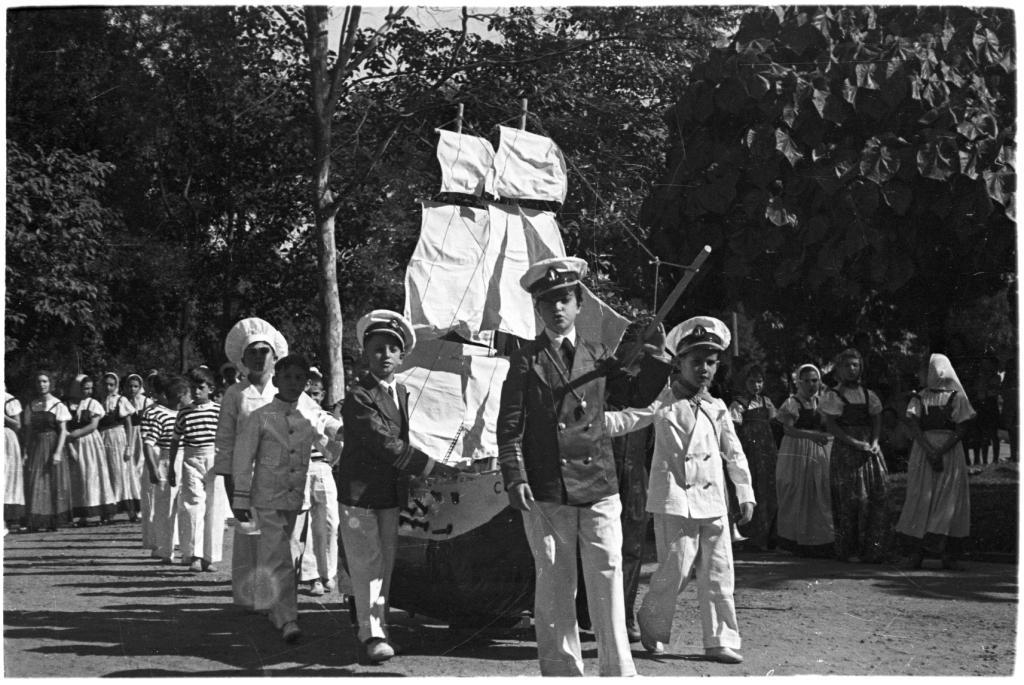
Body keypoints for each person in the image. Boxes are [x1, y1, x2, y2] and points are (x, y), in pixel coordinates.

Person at [495, 257, 667, 677]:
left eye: (565, 299)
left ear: (578, 306)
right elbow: (510, 427)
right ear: (537, 308)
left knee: (606, 578)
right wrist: (515, 475)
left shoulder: (597, 355)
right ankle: (562, 673)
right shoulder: (524, 361)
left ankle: (618, 671)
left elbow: (632, 395)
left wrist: (657, 359)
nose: (557, 308)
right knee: (555, 583)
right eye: (548, 301)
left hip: (599, 486)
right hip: (548, 488)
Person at [604, 316, 755, 665]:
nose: (704, 369)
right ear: (680, 363)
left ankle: (720, 639)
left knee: (719, 571)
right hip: (675, 497)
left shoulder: (717, 407)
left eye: (711, 363)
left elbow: (734, 453)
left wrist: (744, 492)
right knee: (675, 568)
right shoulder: (663, 401)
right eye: (696, 362)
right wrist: (596, 423)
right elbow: (631, 417)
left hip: (714, 499)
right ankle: (652, 627)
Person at [338, 310, 463, 663]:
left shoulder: (402, 392)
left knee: (386, 564)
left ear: (403, 354)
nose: (386, 356)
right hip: (359, 495)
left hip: (390, 494)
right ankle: (372, 636)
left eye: (393, 349)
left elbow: (407, 436)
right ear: (366, 353)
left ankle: (380, 629)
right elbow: (386, 444)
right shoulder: (359, 396)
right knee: (366, 565)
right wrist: (431, 467)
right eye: (378, 349)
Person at [231, 354, 344, 643]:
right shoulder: (265, 414)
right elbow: (243, 458)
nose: (294, 384)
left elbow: (329, 427)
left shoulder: (309, 412)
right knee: (277, 554)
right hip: (267, 497)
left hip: (297, 498)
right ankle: (287, 618)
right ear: (277, 379)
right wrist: (241, 498)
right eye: (288, 377)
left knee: (291, 556)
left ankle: (275, 607)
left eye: (300, 379)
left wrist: (345, 431)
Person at [214, 317, 289, 610]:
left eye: (264, 351)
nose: (259, 357)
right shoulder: (235, 395)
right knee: (248, 536)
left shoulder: (282, 392)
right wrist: (230, 484)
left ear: (274, 357)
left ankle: (274, 599)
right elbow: (225, 441)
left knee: (275, 537)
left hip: (277, 474)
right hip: (244, 475)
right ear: (243, 358)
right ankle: (249, 598)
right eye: (253, 352)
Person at [895, 354, 975, 569]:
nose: (921, 375)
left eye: (925, 370)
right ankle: (916, 552)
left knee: (948, 498)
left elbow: (961, 429)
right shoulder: (920, 398)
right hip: (923, 452)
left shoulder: (957, 398)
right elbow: (914, 427)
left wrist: (940, 451)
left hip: (949, 453)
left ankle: (949, 554)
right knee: (921, 496)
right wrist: (930, 450)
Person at [820, 348, 891, 563]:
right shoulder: (833, 395)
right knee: (850, 499)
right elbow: (831, 425)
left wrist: (875, 442)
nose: (852, 370)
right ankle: (849, 549)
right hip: (846, 450)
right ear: (839, 370)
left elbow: (877, 419)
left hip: (869, 450)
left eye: (855, 365)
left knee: (876, 496)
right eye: (847, 366)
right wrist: (854, 442)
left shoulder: (869, 394)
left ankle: (873, 550)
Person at [169, 366, 226, 572]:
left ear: (211, 389)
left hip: (214, 459)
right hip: (191, 458)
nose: (196, 391)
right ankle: (194, 554)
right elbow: (175, 440)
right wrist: (171, 468)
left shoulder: (219, 410)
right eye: (192, 387)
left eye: (200, 387)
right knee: (193, 505)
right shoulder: (184, 411)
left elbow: (226, 438)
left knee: (214, 508)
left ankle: (210, 557)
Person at [774, 364, 834, 557]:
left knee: (816, 492)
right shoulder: (793, 402)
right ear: (799, 382)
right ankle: (790, 540)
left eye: (814, 381)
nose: (811, 385)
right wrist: (812, 435)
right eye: (806, 381)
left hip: (815, 451)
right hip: (796, 450)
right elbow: (788, 429)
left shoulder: (820, 402)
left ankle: (815, 540)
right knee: (795, 490)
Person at [295, 367, 341, 597]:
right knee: (307, 527)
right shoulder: (296, 415)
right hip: (301, 471)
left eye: (317, 394)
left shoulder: (326, 419)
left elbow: (337, 447)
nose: (313, 399)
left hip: (323, 470)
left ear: (322, 396)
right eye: (309, 394)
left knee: (330, 523)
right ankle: (313, 577)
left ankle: (328, 572)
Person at [728, 364, 778, 551]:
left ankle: (767, 536)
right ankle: (750, 537)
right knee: (752, 487)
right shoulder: (738, 404)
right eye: (751, 382)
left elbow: (773, 422)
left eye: (759, 381)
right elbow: (733, 429)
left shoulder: (767, 402)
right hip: (749, 451)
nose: (756, 386)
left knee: (768, 489)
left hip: (767, 451)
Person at [143, 376, 189, 563]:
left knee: (185, 507)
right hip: (166, 460)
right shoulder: (159, 414)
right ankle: (164, 549)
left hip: (186, 460)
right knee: (165, 508)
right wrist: (153, 469)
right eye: (188, 394)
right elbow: (148, 443)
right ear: (180, 396)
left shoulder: (187, 414)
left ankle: (188, 550)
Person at [65, 375, 118, 526]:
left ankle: (104, 512)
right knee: (80, 478)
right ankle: (83, 515)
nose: (88, 391)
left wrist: (76, 434)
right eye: (84, 388)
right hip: (74, 445)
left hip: (90, 442)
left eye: (90, 388)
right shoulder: (68, 405)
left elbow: (93, 425)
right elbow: (65, 427)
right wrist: (69, 442)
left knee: (95, 475)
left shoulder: (93, 403)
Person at [23, 370, 72, 531]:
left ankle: (52, 521)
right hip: (36, 447)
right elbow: (29, 431)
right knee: (35, 482)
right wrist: (25, 450)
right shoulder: (31, 405)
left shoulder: (58, 405)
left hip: (52, 445)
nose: (42, 384)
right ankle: (36, 521)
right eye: (39, 382)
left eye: (45, 381)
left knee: (53, 482)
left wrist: (58, 452)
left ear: (50, 384)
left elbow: (63, 431)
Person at [97, 372, 136, 521]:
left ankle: (129, 510)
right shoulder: (100, 401)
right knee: (107, 472)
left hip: (118, 437)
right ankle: (110, 510)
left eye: (111, 385)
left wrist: (129, 446)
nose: (108, 387)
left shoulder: (121, 400)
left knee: (120, 472)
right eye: (106, 384)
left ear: (116, 385)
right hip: (103, 438)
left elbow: (129, 424)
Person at [125, 373, 153, 523]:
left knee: (143, 469)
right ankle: (135, 507)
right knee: (132, 471)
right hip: (130, 437)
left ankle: (145, 506)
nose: (132, 389)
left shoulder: (146, 402)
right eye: (130, 386)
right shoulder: (124, 402)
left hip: (143, 436)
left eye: (135, 386)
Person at [970, 354, 1002, 466]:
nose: (984, 366)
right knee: (979, 434)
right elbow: (977, 390)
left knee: (993, 434)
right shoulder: (979, 377)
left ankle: (995, 459)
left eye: (987, 363)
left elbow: (992, 391)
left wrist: (984, 389)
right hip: (980, 405)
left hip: (990, 405)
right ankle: (980, 460)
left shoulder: (996, 377)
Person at [4, 385, 26, 533]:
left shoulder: (8, 399)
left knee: (9, 476)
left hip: (6, 439)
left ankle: (12, 517)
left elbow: (18, 425)